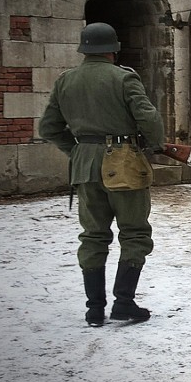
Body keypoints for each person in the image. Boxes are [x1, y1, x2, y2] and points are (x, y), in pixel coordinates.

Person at [38, 22, 165, 326]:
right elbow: (148, 117)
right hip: (124, 163)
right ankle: (124, 302)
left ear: (84, 49)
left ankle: (94, 308)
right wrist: (155, 145)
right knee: (134, 232)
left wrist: (78, 151)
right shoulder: (123, 78)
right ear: (113, 49)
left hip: (84, 163)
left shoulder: (65, 81)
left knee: (93, 235)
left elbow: (48, 128)